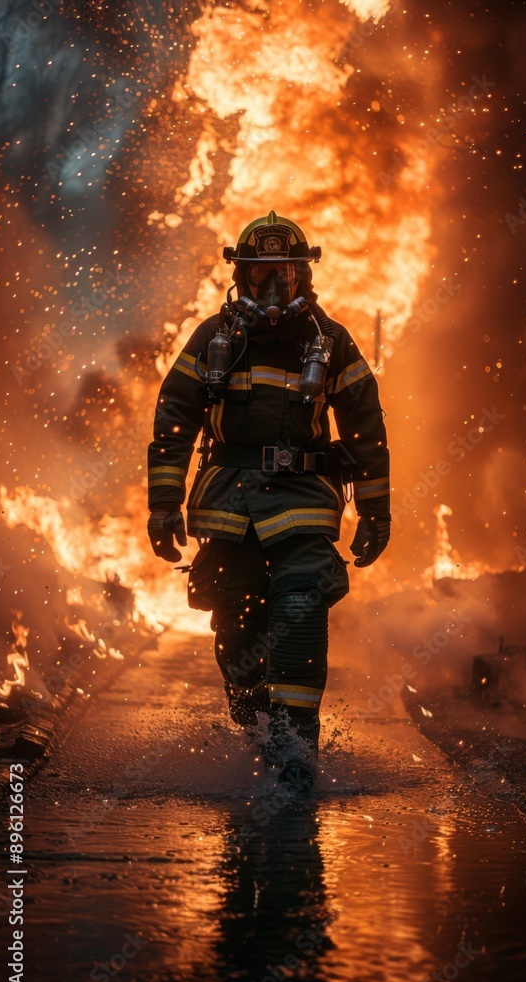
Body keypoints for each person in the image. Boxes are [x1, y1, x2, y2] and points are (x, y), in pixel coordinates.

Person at [147, 211, 390, 788]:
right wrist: (163, 504)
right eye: (261, 273)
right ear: (242, 276)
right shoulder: (213, 338)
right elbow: (174, 420)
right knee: (237, 640)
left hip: (303, 505)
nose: (274, 284)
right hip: (230, 512)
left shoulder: (329, 342)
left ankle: (295, 754)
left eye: (285, 271)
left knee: (300, 610)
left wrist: (377, 511)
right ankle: (256, 729)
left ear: (303, 275)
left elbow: (365, 427)